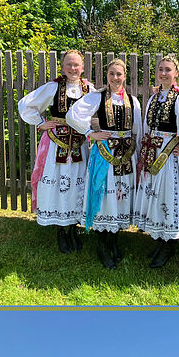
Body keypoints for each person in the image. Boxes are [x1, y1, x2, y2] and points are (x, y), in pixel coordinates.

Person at [66, 58, 142, 269]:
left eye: (119, 74)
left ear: (125, 76)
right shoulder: (96, 97)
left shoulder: (133, 101)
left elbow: (138, 129)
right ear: (106, 76)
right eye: (111, 74)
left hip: (126, 155)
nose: (115, 78)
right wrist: (91, 133)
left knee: (119, 198)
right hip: (104, 154)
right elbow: (73, 115)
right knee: (104, 196)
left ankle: (114, 241)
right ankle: (102, 245)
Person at [133, 55, 179, 268]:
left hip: (168, 157)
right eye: (161, 69)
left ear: (176, 74)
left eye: (168, 70)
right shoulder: (153, 98)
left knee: (167, 195)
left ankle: (169, 244)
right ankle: (159, 239)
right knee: (154, 196)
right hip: (152, 154)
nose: (164, 73)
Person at [18, 50, 95, 254]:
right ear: (62, 67)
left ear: (83, 67)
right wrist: (41, 122)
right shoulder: (53, 87)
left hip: (79, 146)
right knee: (59, 185)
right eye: (69, 64)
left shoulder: (89, 89)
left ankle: (73, 228)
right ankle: (61, 230)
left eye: (76, 65)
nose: (73, 68)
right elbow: (26, 105)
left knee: (76, 185)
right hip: (56, 144)